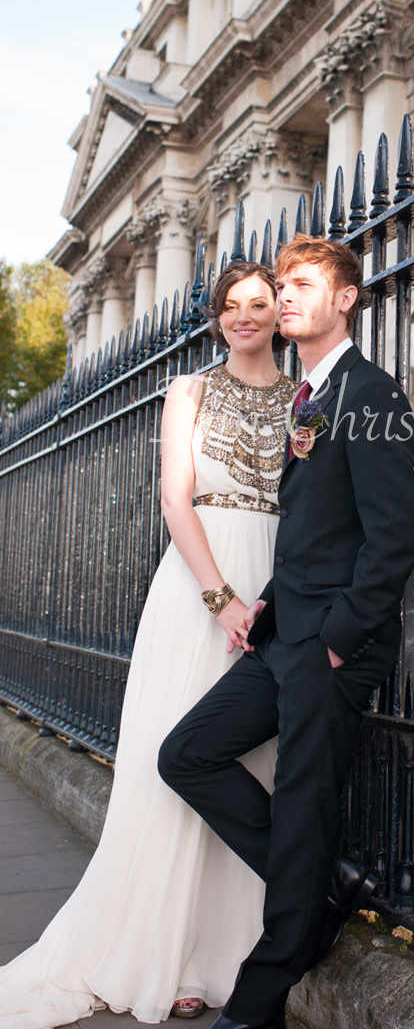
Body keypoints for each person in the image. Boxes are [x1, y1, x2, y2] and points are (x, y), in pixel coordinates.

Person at [0, 261, 296, 1028]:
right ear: (216, 316)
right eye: (229, 305)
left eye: (257, 304)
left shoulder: (307, 401)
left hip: (278, 579)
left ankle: (234, 951)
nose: (242, 316)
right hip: (200, 585)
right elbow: (174, 497)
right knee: (181, 760)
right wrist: (220, 599)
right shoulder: (187, 391)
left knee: (252, 763)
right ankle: (173, 957)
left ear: (279, 312)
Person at [158, 235, 414, 1029]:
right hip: (286, 632)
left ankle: (257, 1004)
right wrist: (269, 611)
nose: (286, 297)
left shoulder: (369, 393)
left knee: (303, 807)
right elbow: (314, 531)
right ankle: (324, 887)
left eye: (302, 285)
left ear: (344, 298)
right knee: (187, 755)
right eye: (283, 285)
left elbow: (393, 536)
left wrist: (338, 639)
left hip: (330, 645)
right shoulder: (311, 394)